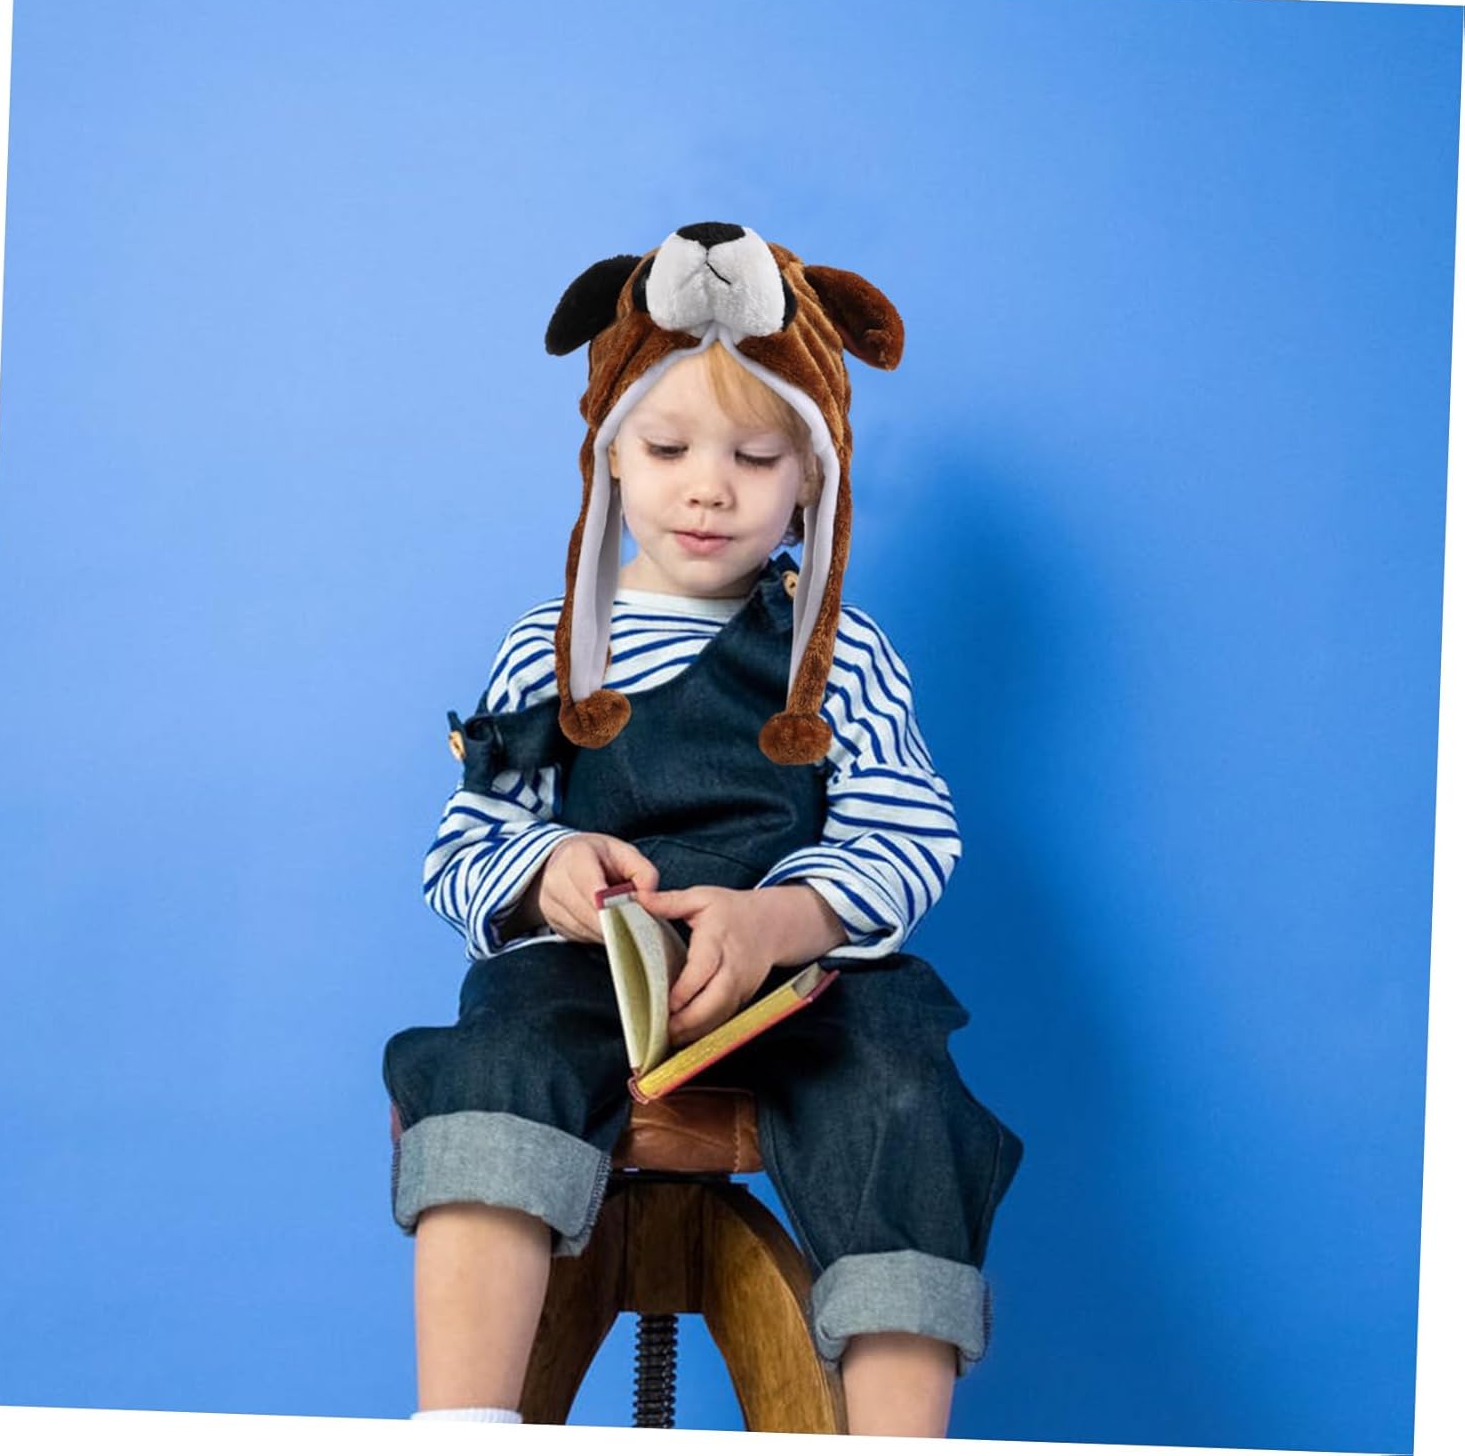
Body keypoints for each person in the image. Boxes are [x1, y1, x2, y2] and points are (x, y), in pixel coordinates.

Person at [383, 222, 1023, 1436]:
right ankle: (464, 1424)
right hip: (593, 977)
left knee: (905, 1106)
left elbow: (906, 834)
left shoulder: (842, 653)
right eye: (667, 448)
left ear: (812, 480)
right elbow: (464, 844)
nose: (708, 486)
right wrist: (548, 870)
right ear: (610, 459)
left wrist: (782, 918)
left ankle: (896, 1436)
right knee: (488, 1062)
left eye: (756, 456)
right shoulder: (555, 648)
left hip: (804, 987)